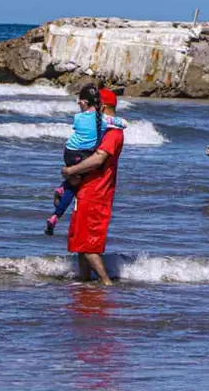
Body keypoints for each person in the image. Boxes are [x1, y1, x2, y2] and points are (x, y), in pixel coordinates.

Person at [62, 87, 125, 286]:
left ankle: (106, 283)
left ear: (102, 106)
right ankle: (83, 281)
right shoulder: (104, 129)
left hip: (96, 193)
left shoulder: (113, 133)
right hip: (88, 190)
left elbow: (98, 159)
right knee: (80, 240)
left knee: (89, 245)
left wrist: (71, 171)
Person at [46, 85, 127, 235]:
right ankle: (59, 206)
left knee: (72, 182)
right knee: (74, 183)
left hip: (74, 159)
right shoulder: (107, 125)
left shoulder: (107, 131)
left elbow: (98, 158)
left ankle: (57, 210)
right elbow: (97, 159)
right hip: (93, 188)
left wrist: (70, 171)